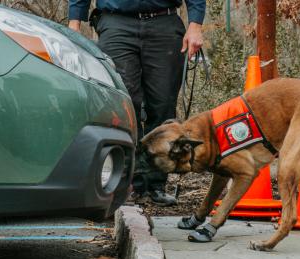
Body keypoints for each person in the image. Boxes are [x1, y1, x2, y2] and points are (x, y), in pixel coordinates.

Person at [68, 0, 205, 206]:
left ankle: (156, 184)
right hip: (116, 24)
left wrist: (195, 25)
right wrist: (74, 24)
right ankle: (128, 182)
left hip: (164, 23)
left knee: (162, 105)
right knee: (123, 105)